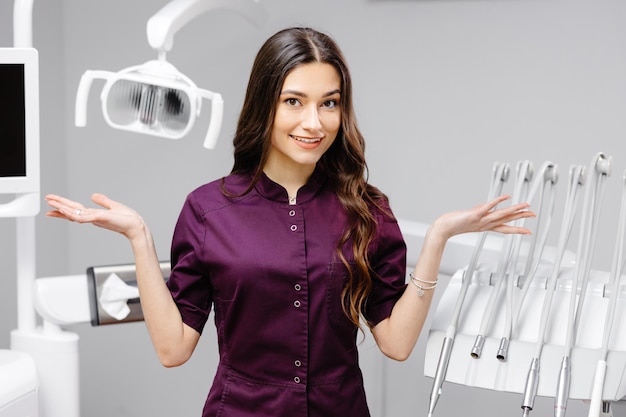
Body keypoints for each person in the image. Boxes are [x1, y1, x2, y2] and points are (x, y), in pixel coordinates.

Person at [46, 27, 533, 417]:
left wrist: (439, 238)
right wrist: (139, 237)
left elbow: (396, 343)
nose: (314, 123)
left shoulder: (368, 209)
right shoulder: (206, 210)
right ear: (265, 105)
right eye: (294, 101)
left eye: (330, 102)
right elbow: (174, 349)